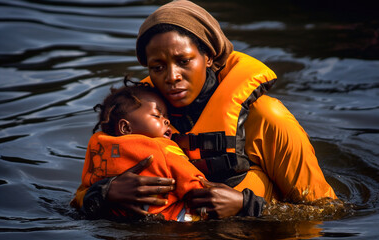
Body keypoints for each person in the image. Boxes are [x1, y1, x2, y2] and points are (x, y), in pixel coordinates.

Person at [73, 0, 337, 220]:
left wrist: (248, 207)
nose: (172, 76)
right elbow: (79, 199)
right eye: (158, 67)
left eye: (183, 61)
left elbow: (327, 211)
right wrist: (104, 194)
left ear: (209, 57)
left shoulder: (266, 118)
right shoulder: (137, 117)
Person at [72, 80, 231, 221]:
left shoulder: (99, 149)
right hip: (167, 220)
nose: (167, 121)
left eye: (165, 116)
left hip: (113, 216)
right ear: (125, 127)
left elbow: (83, 192)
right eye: (157, 115)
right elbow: (193, 183)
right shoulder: (161, 149)